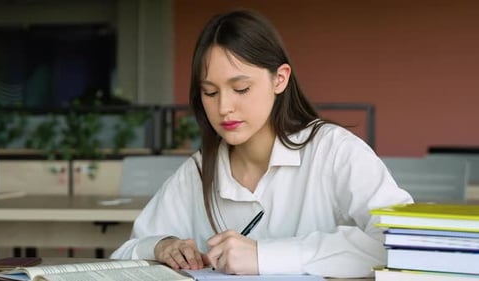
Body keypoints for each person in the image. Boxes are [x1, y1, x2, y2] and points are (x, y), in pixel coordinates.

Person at [110, 9, 413, 278]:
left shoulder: (334, 151)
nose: (224, 107)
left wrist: (264, 255)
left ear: (279, 79)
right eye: (210, 93)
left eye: (240, 88)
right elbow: (127, 251)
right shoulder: (200, 171)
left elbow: (403, 244)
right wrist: (162, 246)